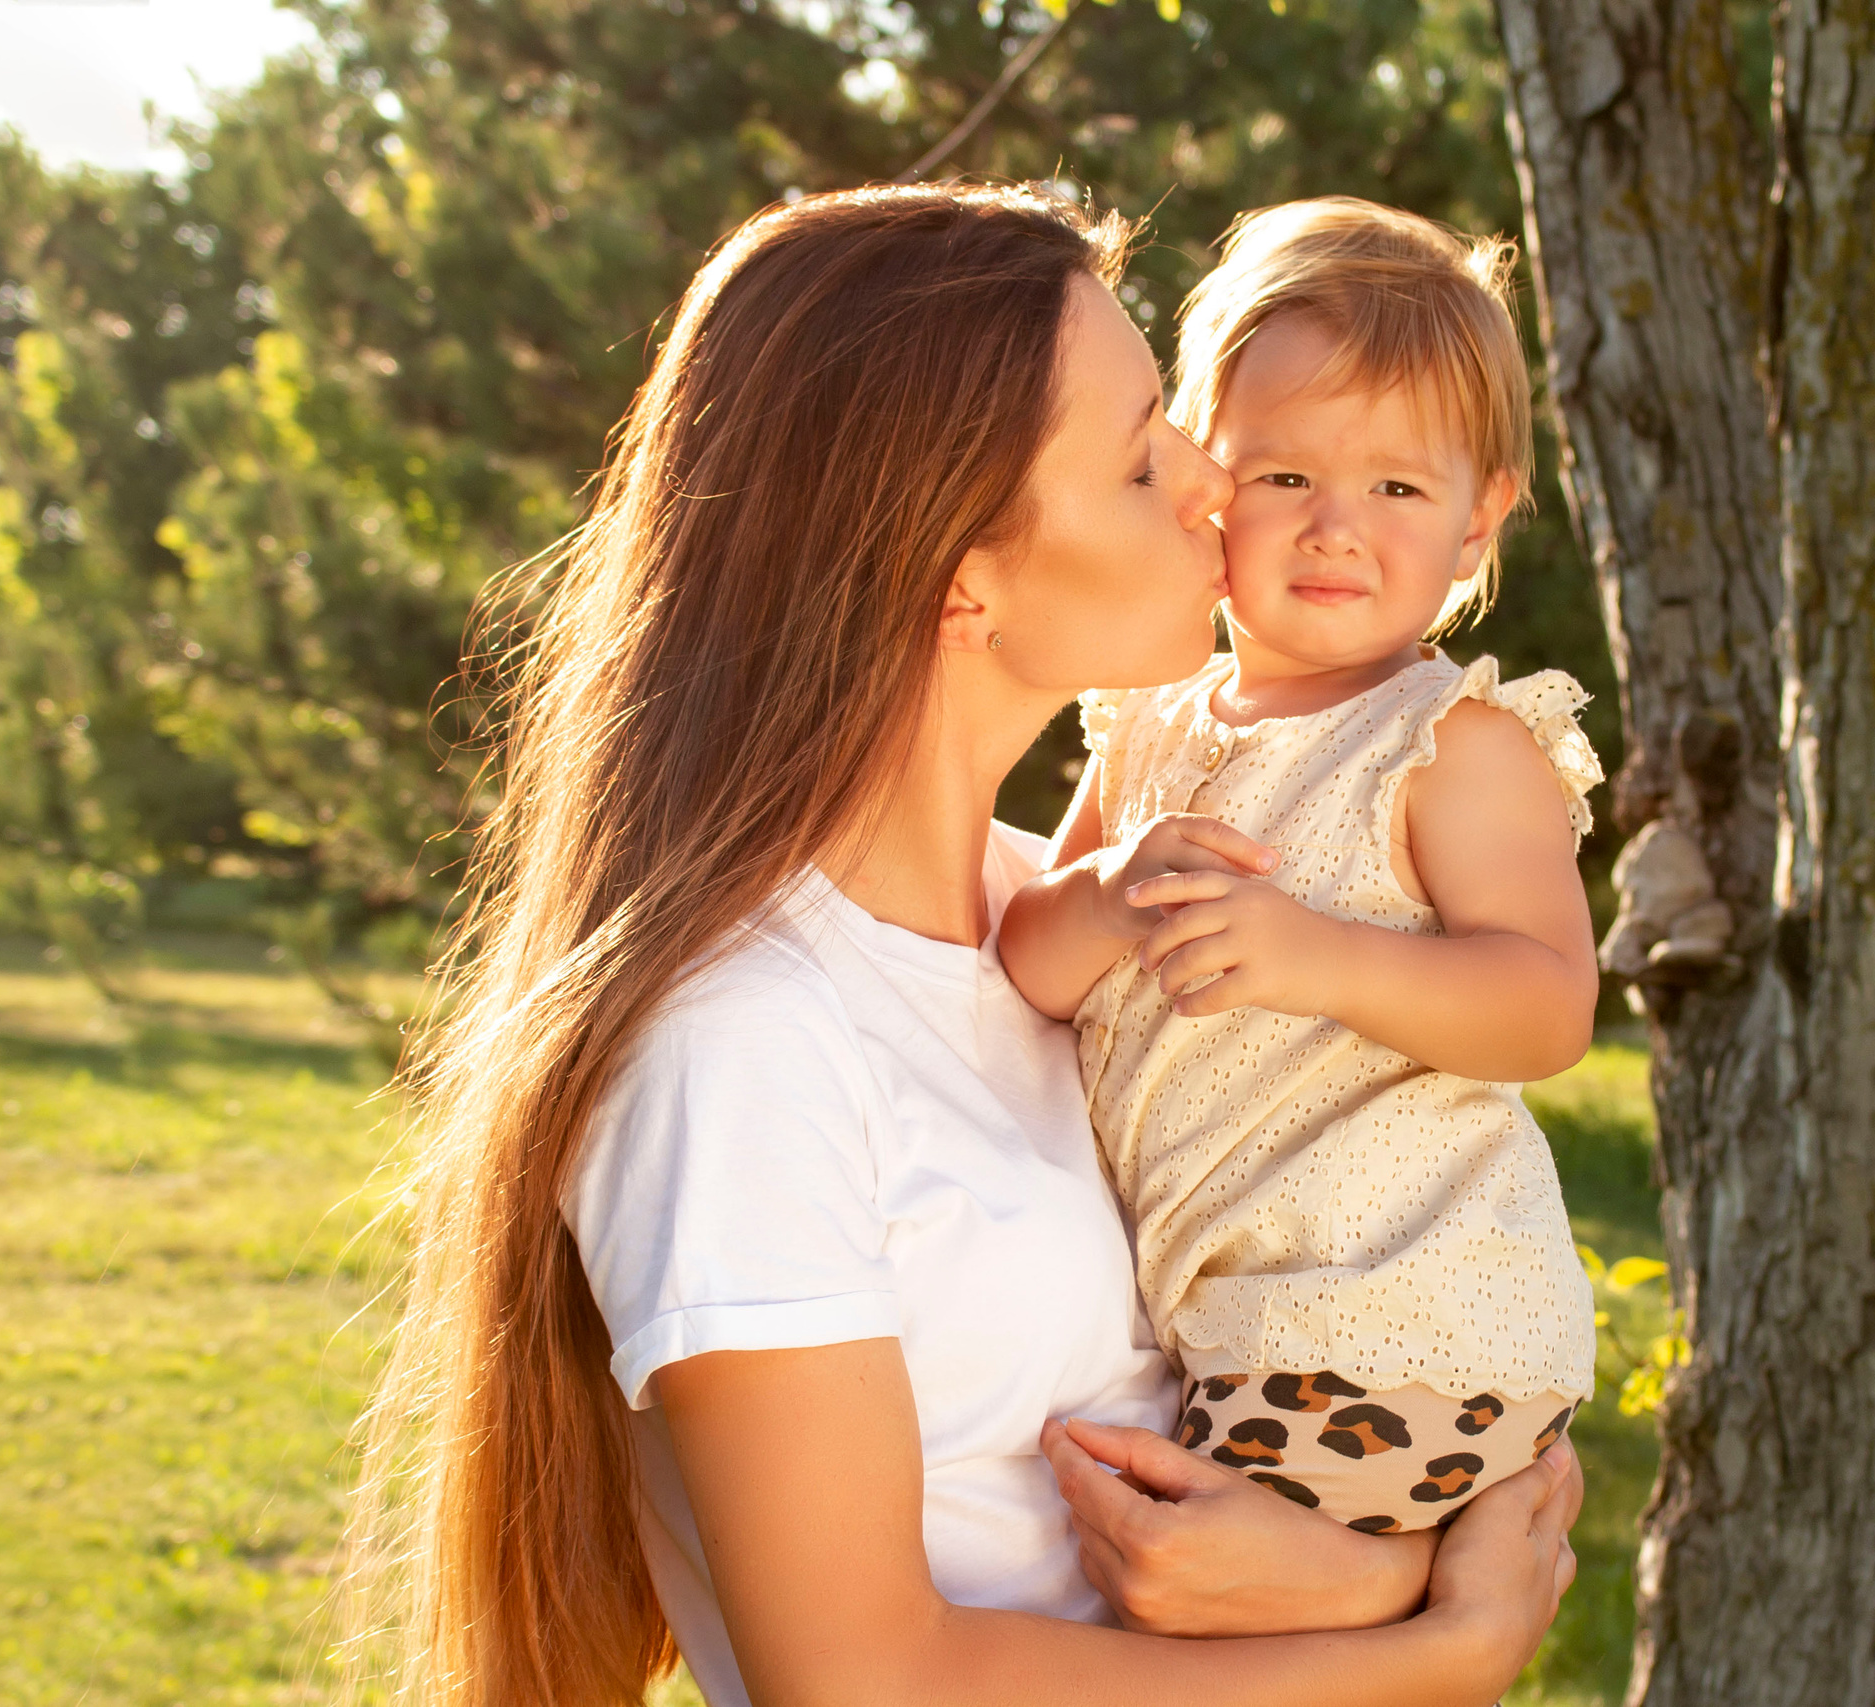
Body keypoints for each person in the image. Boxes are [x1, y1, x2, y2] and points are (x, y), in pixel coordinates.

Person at [345, 184, 1580, 1707]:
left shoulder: (1088, 914)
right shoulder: (744, 1042)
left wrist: (1382, 1561)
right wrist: (1428, 1639)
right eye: (1144, 455)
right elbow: (864, 1681)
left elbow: (1376, 1234)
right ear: (959, 574)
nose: (1217, 484)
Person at [999, 199, 1604, 1530]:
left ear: (1479, 519)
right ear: (1208, 481)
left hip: (1398, 1320)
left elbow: (1548, 1005)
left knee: (1198, 1619)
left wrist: (1321, 956)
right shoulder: (1151, 721)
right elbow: (1030, 969)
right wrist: (1107, 894)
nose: (1336, 526)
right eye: (1286, 479)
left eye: (1397, 487)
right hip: (1230, 1323)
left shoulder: (1451, 743)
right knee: (1163, 1602)